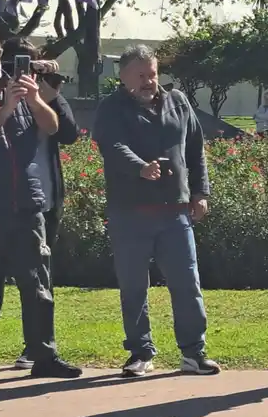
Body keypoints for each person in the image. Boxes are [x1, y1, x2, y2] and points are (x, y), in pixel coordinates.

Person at [92, 44, 219, 377]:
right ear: (123, 77)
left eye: (153, 74)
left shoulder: (177, 102)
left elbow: (195, 149)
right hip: (130, 212)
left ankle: (194, 352)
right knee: (134, 286)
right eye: (141, 76)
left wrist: (200, 192)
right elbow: (113, 146)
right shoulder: (111, 108)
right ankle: (140, 352)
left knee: (187, 283)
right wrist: (140, 168)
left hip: (175, 212)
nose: (149, 81)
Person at [0, 27, 82, 384]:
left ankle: (44, 356)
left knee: (38, 284)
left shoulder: (15, 86)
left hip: (26, 207)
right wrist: (5, 110)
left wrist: (36, 100)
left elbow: (52, 128)